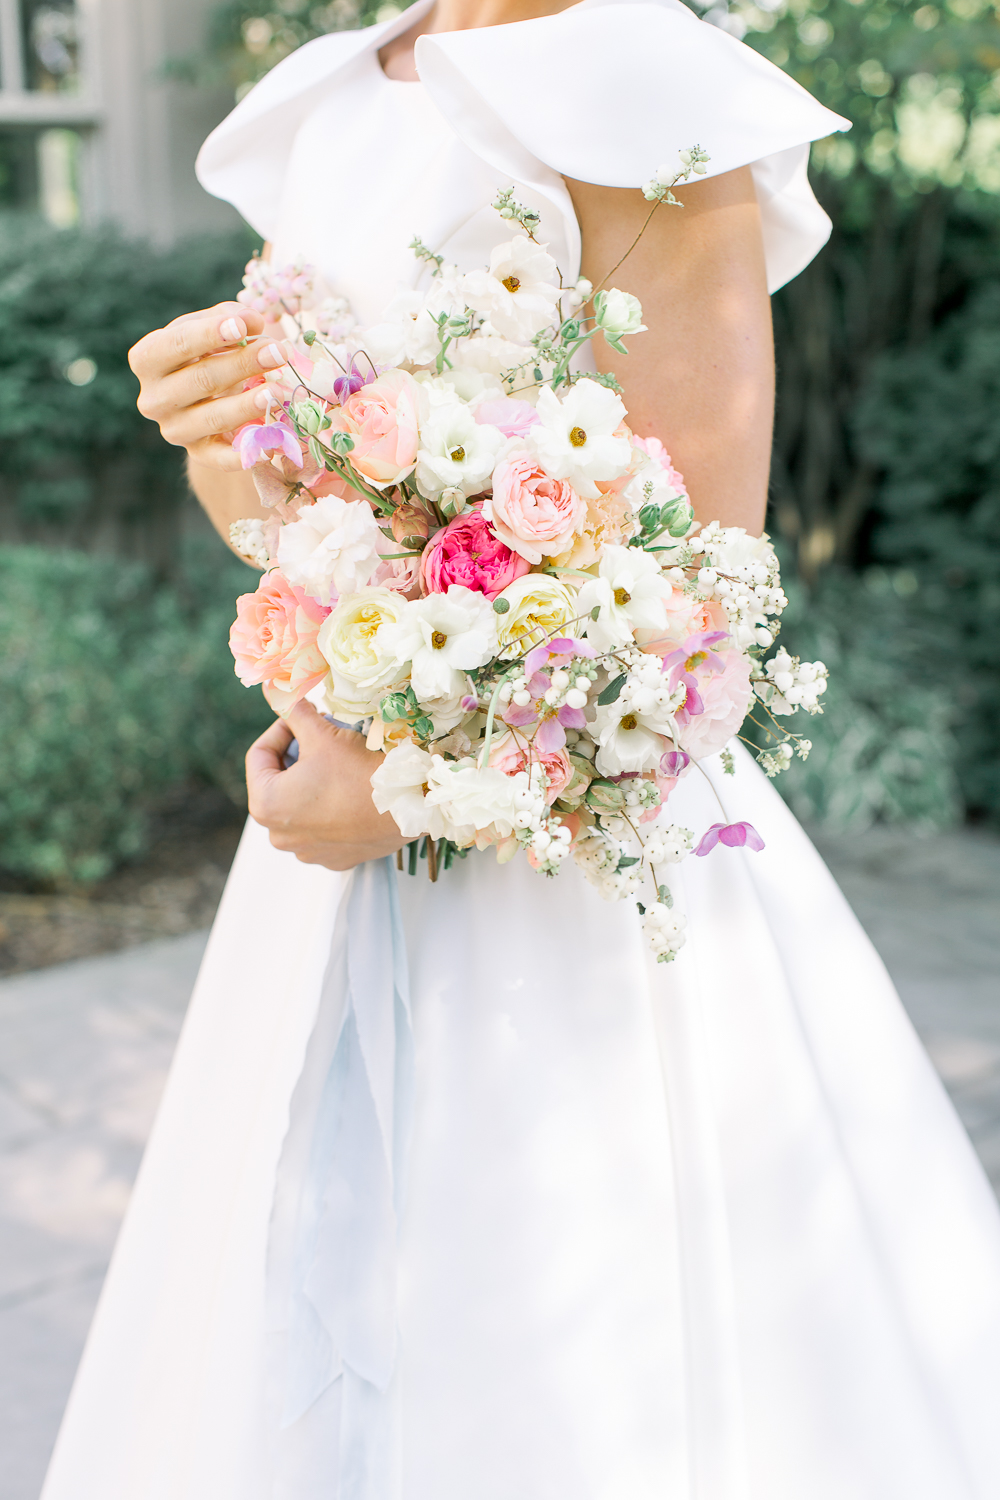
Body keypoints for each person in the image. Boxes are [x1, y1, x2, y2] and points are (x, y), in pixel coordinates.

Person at [41, 1, 1000, 1496]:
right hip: (329, 844)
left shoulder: (647, 91)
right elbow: (298, 536)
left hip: (578, 872)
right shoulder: (335, 95)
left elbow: (697, 591)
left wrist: (418, 788)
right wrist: (219, 446)